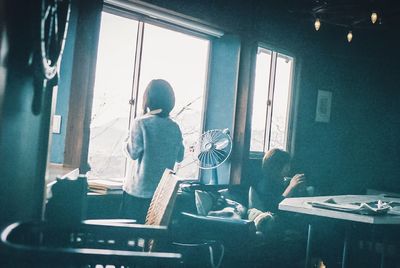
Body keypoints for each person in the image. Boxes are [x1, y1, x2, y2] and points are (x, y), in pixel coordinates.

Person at [120, 79, 184, 223]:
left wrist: (126, 140)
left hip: (138, 192)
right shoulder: (174, 127)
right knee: (151, 237)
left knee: (129, 234)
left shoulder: (141, 123)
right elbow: (180, 156)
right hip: (161, 195)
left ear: (147, 99)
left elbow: (132, 152)